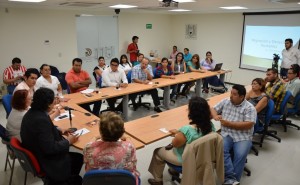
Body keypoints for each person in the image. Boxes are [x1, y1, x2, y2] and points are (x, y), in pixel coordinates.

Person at [20, 88, 83, 185]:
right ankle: (66, 180)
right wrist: (68, 141)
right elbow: (50, 148)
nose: (55, 101)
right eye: (54, 100)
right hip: (47, 161)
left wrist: (59, 130)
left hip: (37, 151)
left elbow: (42, 130)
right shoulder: (41, 119)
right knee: (78, 158)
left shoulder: (32, 112)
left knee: (77, 157)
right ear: (49, 104)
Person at [147, 97, 215, 185]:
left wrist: (178, 134)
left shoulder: (187, 130)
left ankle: (157, 180)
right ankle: (173, 171)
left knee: (158, 151)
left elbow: (175, 145)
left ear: (192, 112)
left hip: (186, 161)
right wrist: (180, 133)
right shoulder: (211, 125)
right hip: (203, 158)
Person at [211, 84, 256, 184]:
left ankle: (231, 180)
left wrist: (228, 123)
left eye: (234, 94)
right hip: (227, 133)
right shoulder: (226, 101)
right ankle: (231, 179)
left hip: (243, 136)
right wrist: (215, 116)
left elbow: (248, 124)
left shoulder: (250, 108)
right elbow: (213, 108)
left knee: (240, 155)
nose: (231, 95)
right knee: (221, 149)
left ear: (242, 97)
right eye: (231, 93)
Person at [83, 112, 140, 182]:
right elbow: (133, 166)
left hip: (97, 181)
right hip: (123, 181)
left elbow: (89, 145)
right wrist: (127, 138)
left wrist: (95, 137)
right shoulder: (129, 147)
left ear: (101, 132)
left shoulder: (88, 148)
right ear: (122, 132)